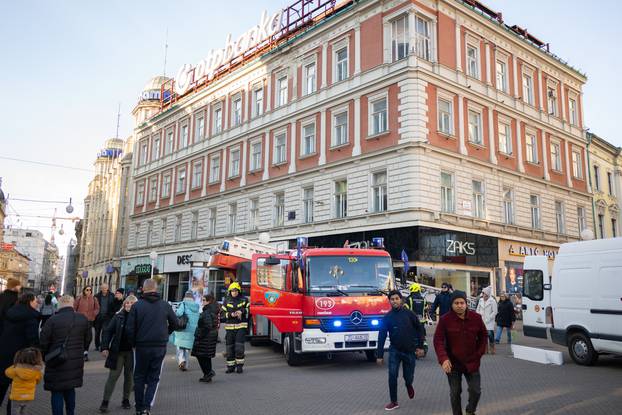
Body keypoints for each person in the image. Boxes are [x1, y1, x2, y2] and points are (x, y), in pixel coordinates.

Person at [125, 278, 178, 415]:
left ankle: (139, 408)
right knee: (154, 377)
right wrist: (166, 333)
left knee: (139, 377)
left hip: (142, 346)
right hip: (159, 346)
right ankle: (146, 407)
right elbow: (175, 323)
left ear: (143, 289)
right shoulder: (165, 305)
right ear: (156, 289)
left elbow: (129, 328)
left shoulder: (137, 306)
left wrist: (133, 343)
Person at [434, 291, 488, 415]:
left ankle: (470, 410)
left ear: (466, 304)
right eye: (456, 303)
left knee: (476, 391)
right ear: (452, 304)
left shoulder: (476, 318)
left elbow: (483, 336)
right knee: (455, 392)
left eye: (462, 302)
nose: (459, 305)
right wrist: (443, 359)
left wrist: (479, 353)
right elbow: (438, 340)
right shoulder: (445, 320)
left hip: (472, 362)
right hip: (452, 364)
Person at [40, 294, 89, 415]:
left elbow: (43, 341)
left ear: (60, 304)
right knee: (70, 389)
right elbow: (88, 338)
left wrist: (45, 355)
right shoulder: (82, 318)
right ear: (72, 304)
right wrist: (81, 350)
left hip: (56, 360)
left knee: (56, 391)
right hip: (75, 360)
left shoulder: (52, 320)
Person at [376, 290, 425, 411]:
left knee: (408, 377)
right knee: (392, 376)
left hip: (410, 351)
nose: (394, 301)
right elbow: (381, 335)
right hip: (394, 351)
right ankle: (394, 401)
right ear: (389, 301)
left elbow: (419, 329)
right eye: (392, 299)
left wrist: (420, 347)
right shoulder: (387, 317)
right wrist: (380, 355)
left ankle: (409, 385)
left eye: (396, 299)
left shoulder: (409, 314)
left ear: (401, 300)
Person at [0, 292, 40, 414]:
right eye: (35, 301)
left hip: (4, 352)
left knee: (1, 384)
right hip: (21, 357)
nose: (37, 303)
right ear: (29, 301)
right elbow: (32, 339)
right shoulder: (31, 317)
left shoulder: (11, 313)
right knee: (17, 390)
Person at [99, 295, 138, 413]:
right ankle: (105, 402)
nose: (129, 305)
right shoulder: (118, 317)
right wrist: (104, 347)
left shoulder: (138, 318)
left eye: (132, 303)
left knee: (129, 377)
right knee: (113, 377)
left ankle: (125, 400)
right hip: (118, 352)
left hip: (131, 352)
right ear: (124, 304)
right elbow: (108, 332)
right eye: (127, 303)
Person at [4, 347, 43, 414]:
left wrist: (15, 365)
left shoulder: (16, 369)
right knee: (24, 412)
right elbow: (38, 381)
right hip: (28, 396)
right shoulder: (37, 372)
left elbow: (7, 372)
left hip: (16, 396)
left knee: (14, 412)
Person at [221, 282, 249, 374]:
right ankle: (230, 367)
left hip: (241, 327)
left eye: (236, 290)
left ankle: (239, 366)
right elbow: (222, 314)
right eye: (232, 291)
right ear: (230, 291)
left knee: (239, 347)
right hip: (229, 328)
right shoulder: (226, 301)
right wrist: (230, 314)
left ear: (239, 291)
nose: (234, 292)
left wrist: (242, 311)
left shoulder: (244, 300)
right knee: (229, 348)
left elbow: (250, 310)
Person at [191, 294, 219, 383]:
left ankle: (208, 373)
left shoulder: (207, 311)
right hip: (210, 337)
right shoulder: (212, 310)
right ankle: (208, 374)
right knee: (206, 357)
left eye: (203, 300)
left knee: (201, 356)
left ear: (208, 301)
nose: (202, 302)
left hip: (205, 338)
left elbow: (208, 326)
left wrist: (200, 335)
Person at [171, 291, 200, 371]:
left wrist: (174, 312)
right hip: (192, 330)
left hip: (183, 328)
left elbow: (179, 314)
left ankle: (181, 360)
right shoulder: (196, 306)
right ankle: (186, 365)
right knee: (187, 348)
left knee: (180, 346)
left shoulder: (183, 304)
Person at [74, 286, 99, 361]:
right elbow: (74, 308)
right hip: (80, 320)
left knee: (89, 337)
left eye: (90, 290)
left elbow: (97, 308)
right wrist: (77, 316)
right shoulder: (79, 298)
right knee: (81, 336)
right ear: (84, 290)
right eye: (87, 290)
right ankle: (81, 352)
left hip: (89, 320)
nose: (89, 291)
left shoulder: (94, 299)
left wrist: (94, 314)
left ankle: (85, 351)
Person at [405, 283, 428, 354]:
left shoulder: (409, 299)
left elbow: (405, 310)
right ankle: (423, 348)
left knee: (412, 336)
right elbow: (426, 309)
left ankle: (414, 350)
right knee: (421, 336)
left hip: (412, 322)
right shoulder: (424, 299)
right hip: (421, 321)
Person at [476, 286, 497, 354]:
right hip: (481, 321)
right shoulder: (480, 300)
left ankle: (492, 348)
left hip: (489, 322)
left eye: (484, 293)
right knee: (483, 336)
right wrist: (479, 316)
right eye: (483, 293)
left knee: (490, 336)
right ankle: (484, 349)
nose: (483, 294)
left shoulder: (492, 301)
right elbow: (478, 309)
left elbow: (495, 312)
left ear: (487, 294)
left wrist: (489, 318)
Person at [94, 284, 115, 352]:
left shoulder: (112, 296)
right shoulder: (96, 296)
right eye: (103, 288)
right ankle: (97, 345)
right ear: (100, 288)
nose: (104, 289)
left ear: (108, 288)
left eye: (105, 288)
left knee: (105, 332)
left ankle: (103, 346)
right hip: (98, 317)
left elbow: (113, 306)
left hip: (107, 317)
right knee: (97, 332)